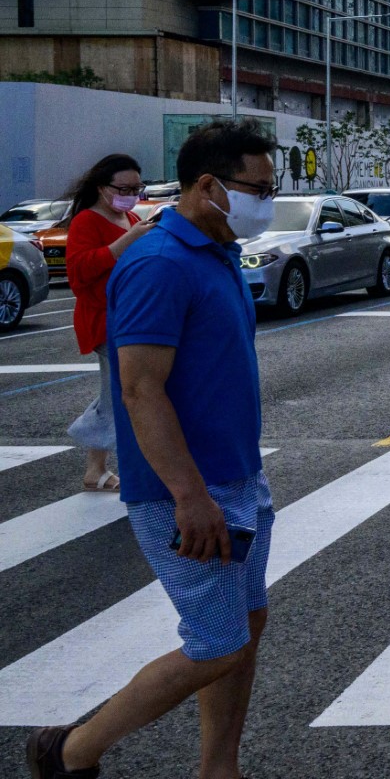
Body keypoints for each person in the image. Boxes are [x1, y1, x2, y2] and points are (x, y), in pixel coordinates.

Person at [26, 119, 279, 779]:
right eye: (259, 187)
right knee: (218, 644)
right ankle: (70, 751)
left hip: (238, 476)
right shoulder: (159, 262)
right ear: (208, 184)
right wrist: (190, 497)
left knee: (242, 629)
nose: (268, 201)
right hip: (188, 489)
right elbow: (139, 389)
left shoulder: (215, 250)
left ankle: (218, 769)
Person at [60, 153, 156, 493]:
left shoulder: (130, 217)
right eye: (124, 187)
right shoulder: (88, 221)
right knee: (123, 392)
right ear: (102, 188)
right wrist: (128, 241)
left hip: (131, 317)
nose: (132, 194)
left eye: (137, 187)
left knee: (117, 392)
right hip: (104, 321)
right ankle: (115, 466)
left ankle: (96, 469)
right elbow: (79, 272)